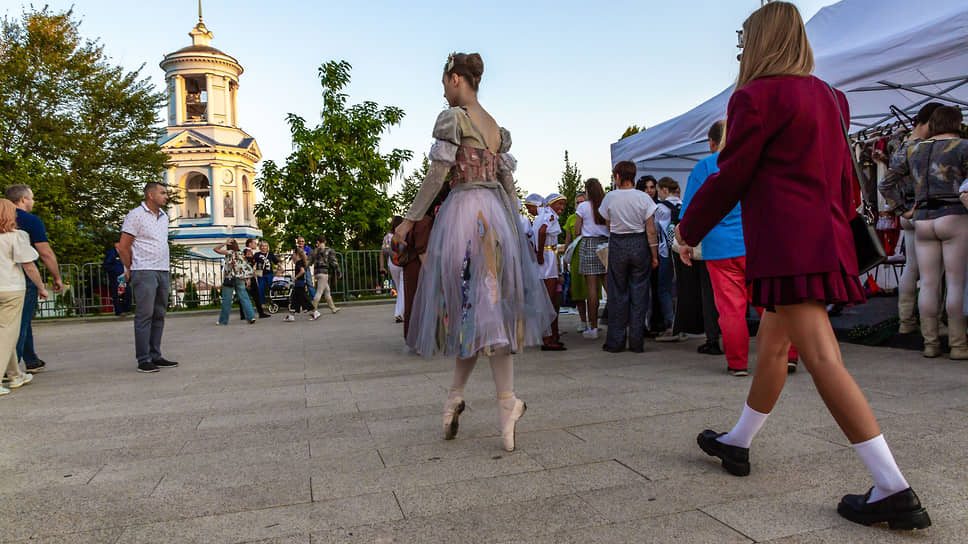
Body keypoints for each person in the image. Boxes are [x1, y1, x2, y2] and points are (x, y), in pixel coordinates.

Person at [676, 2, 929, 530]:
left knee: (821, 358)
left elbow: (732, 174)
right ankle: (738, 443)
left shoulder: (754, 97)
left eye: (745, 42)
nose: (741, 52)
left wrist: (687, 228)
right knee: (774, 344)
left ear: (763, 41)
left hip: (786, 245)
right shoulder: (832, 98)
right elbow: (846, 181)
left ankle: (893, 487)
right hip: (823, 239)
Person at [394, 52, 555, 452]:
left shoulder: (454, 118)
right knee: (482, 311)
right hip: (496, 220)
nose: (443, 91)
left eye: (444, 83)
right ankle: (470, 400)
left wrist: (410, 219)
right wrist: (516, 226)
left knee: (479, 313)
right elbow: (508, 183)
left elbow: (437, 174)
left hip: (466, 218)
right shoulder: (495, 127)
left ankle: (498, 404)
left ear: (454, 79)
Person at [881, 106, 967, 360]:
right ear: (957, 122)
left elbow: (885, 184)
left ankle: (930, 344)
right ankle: (958, 345)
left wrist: (903, 210)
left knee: (927, 282)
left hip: (922, 220)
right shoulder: (963, 147)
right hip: (954, 216)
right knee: (955, 283)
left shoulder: (912, 149)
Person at [681, 120, 750, 377]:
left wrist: (686, 243)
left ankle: (738, 363)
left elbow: (690, 212)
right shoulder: (752, 161)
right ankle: (788, 356)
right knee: (772, 303)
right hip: (754, 242)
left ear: (712, 142)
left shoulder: (705, 167)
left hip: (718, 247)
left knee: (731, 309)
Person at [877, 103, 944, 335]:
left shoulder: (902, 146)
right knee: (932, 272)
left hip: (910, 213)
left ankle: (906, 320)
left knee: (911, 268)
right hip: (924, 212)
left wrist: (900, 209)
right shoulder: (924, 149)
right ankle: (932, 324)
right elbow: (884, 184)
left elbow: (886, 184)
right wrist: (903, 210)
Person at [119, 182, 178, 373]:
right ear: (150, 195)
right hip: (144, 269)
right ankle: (143, 359)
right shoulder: (136, 215)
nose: (166, 196)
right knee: (144, 315)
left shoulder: (164, 217)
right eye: (162, 193)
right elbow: (124, 245)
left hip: (162, 269)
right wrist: (129, 268)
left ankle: (156, 354)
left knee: (159, 313)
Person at [599, 161, 658, 352]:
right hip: (640, 244)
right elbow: (651, 230)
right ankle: (636, 341)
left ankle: (615, 342)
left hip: (618, 243)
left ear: (617, 176)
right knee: (640, 293)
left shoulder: (610, 198)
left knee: (617, 293)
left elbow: (608, 225)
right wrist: (654, 255)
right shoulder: (644, 199)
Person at [5, 184, 63, 373]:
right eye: (31, 198)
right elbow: (44, 252)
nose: (33, 201)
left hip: (2, 275)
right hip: (22, 277)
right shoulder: (30, 221)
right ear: (22, 199)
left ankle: (31, 359)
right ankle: (10, 369)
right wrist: (56, 276)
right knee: (19, 323)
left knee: (22, 320)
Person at [0, 200, 48, 395]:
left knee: (6, 333)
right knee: (7, 334)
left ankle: (14, 374)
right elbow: (28, 265)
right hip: (11, 288)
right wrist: (40, 286)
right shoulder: (17, 236)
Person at [403, 185, 449, 341]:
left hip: (417, 265)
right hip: (419, 266)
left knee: (416, 302)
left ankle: (417, 338)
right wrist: (433, 273)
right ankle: (417, 339)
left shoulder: (422, 218)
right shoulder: (425, 221)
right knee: (418, 302)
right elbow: (422, 250)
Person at [574, 178, 610, 340]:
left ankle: (593, 327)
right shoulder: (605, 205)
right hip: (606, 245)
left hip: (589, 244)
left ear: (587, 190)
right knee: (610, 287)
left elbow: (576, 231)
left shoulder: (582, 206)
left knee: (592, 290)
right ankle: (620, 323)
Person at [534, 193, 566, 351]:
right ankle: (547, 337)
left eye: (563, 205)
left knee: (550, 298)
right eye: (558, 204)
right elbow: (541, 232)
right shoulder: (549, 217)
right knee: (549, 299)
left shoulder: (544, 215)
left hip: (548, 256)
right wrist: (540, 254)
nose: (561, 208)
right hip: (547, 258)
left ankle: (551, 335)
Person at [653, 178, 681, 341]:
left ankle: (671, 325)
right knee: (683, 289)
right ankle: (684, 324)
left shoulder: (660, 208)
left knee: (664, 289)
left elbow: (655, 230)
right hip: (685, 250)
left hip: (666, 251)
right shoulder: (683, 204)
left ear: (664, 190)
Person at [214, 239, 257, 325]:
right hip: (240, 277)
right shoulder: (240, 253)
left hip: (230, 278)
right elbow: (244, 266)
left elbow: (216, 249)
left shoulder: (229, 252)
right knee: (244, 297)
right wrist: (247, 278)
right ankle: (251, 316)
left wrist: (224, 243)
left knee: (227, 299)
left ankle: (223, 320)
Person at [563, 192, 588, 333]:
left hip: (590, 255)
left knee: (592, 291)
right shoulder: (571, 219)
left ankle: (592, 320)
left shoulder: (593, 217)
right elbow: (568, 240)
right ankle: (583, 321)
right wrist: (565, 260)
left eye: (583, 202)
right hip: (576, 257)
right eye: (578, 202)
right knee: (578, 292)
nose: (580, 205)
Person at [381, 217, 406, 322]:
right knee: (402, 288)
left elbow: (383, 251)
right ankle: (399, 313)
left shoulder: (387, 237)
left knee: (400, 288)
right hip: (403, 262)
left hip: (392, 263)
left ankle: (400, 311)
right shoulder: (403, 234)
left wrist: (381, 267)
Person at [309, 236, 342, 314]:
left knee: (327, 290)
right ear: (325, 241)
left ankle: (333, 308)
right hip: (324, 273)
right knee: (319, 292)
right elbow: (334, 262)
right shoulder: (329, 250)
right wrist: (338, 271)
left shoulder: (314, 251)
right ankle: (312, 310)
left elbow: (308, 261)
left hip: (316, 273)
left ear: (318, 242)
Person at [239, 239, 270, 319]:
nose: (256, 245)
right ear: (250, 244)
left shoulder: (247, 251)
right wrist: (248, 278)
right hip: (249, 276)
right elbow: (247, 265)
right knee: (255, 294)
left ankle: (243, 314)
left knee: (245, 295)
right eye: (254, 243)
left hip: (247, 275)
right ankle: (260, 312)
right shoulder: (247, 252)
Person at [285, 246, 318, 321]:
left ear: (297, 255)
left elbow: (302, 271)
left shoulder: (298, 263)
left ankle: (315, 312)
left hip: (299, 283)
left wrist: (295, 277)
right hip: (300, 283)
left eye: (293, 254)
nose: (293, 256)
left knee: (304, 299)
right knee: (294, 299)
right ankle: (291, 315)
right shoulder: (301, 262)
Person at [103, 242, 131, 316]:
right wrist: (117, 272)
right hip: (117, 277)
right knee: (118, 294)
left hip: (125, 276)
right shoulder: (112, 253)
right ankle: (120, 311)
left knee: (127, 292)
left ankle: (127, 309)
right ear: (116, 244)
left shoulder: (125, 253)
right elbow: (107, 265)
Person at [254, 241, 278, 306]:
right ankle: (262, 303)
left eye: (265, 246)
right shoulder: (257, 254)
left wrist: (280, 267)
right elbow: (253, 262)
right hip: (261, 274)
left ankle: (273, 301)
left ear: (267, 247)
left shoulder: (270, 254)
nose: (264, 247)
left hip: (269, 273)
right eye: (262, 246)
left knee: (272, 287)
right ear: (260, 247)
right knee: (261, 288)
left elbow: (276, 261)